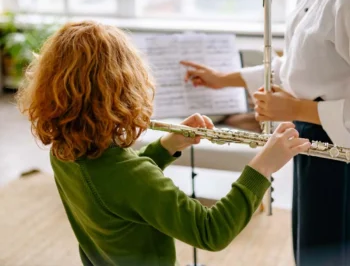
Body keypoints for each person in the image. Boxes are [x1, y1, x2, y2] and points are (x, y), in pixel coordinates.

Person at [16, 21, 309, 266]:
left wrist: (167, 145)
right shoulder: (131, 176)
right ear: (124, 92)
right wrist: (262, 166)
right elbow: (211, 231)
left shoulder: (64, 151)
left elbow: (120, 192)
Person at [181, 0, 350, 265]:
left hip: (341, 148)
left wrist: (297, 109)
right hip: (313, 138)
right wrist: (222, 78)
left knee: (331, 250)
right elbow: (296, 67)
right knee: (312, 245)